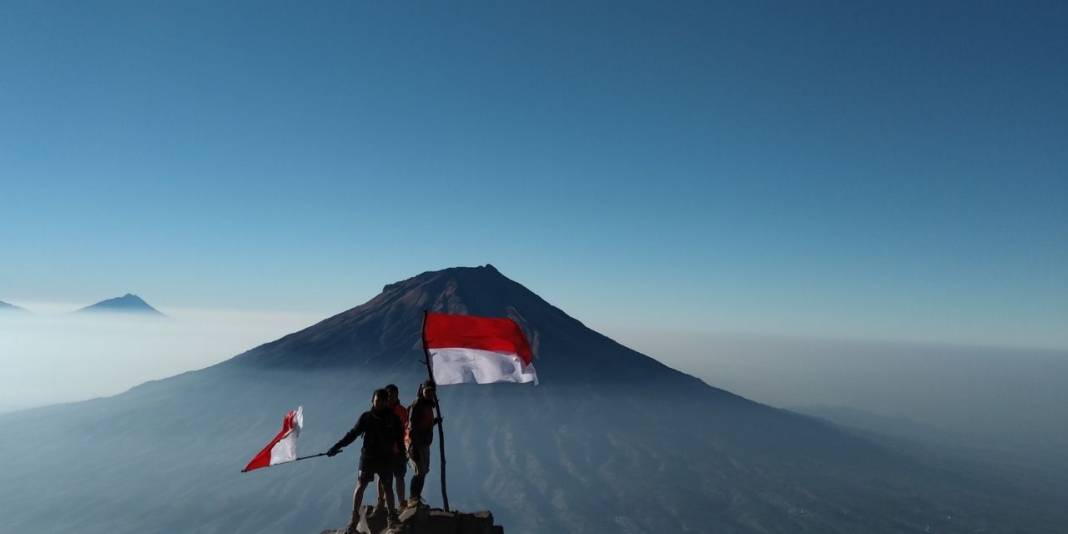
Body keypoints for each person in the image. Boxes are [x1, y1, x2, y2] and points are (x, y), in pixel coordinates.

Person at [327, 388, 404, 532]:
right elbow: (353, 434)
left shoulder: (392, 419)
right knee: (363, 485)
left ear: (386, 402)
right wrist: (336, 447)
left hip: (384, 458)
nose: (379, 404)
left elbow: (399, 440)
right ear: (373, 401)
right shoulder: (367, 417)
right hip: (370, 458)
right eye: (377, 401)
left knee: (386, 487)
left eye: (382, 401)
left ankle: (391, 518)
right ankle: (355, 519)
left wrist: (402, 457)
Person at [406, 380, 441, 507]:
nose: (430, 393)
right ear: (422, 390)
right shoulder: (418, 405)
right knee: (420, 471)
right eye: (427, 391)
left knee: (424, 470)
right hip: (416, 443)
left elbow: (424, 424)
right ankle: (413, 498)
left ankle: (416, 497)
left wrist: (435, 421)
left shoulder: (428, 405)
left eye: (432, 391)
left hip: (425, 443)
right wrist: (413, 445)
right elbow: (412, 425)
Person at [377, 384, 409, 511]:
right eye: (389, 395)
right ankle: (381, 502)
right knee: (382, 477)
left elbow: (407, 429)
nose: (392, 398)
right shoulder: (380, 412)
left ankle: (401, 503)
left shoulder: (402, 411)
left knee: (399, 476)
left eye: (394, 395)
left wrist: (406, 446)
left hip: (399, 450)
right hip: (384, 451)